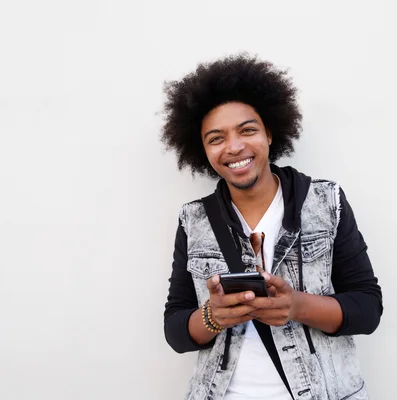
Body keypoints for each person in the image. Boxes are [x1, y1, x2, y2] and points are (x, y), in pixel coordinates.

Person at [161, 54, 383, 400]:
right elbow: (175, 329)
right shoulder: (194, 220)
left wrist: (296, 306)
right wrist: (213, 316)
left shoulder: (326, 201)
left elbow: (367, 309)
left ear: (269, 132)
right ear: (201, 149)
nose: (234, 147)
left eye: (247, 130)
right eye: (216, 138)